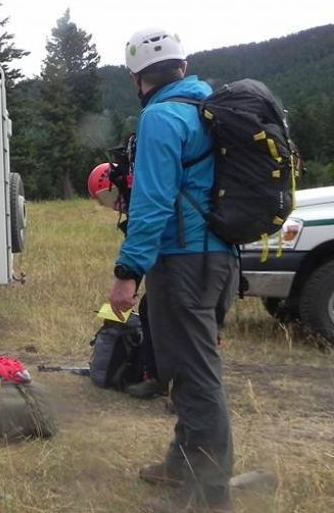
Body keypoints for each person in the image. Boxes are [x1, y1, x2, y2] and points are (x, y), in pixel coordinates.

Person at [108, 28, 238, 513]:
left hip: (184, 260)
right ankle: (181, 464)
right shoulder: (207, 107)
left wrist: (128, 270)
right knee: (187, 367)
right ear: (181, 66)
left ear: (138, 76)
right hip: (219, 258)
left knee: (196, 375)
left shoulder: (162, 116)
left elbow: (154, 199)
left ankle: (208, 492)